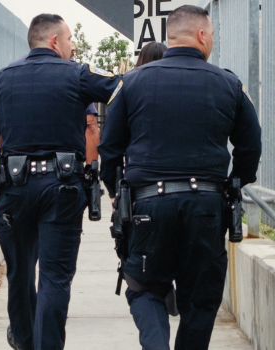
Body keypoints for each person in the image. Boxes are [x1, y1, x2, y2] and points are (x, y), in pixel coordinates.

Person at [97, 5, 261, 350]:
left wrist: (116, 192)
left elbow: (109, 148)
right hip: (206, 205)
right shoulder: (228, 83)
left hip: (147, 208)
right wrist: (235, 183)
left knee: (144, 288)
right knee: (200, 300)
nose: (212, 40)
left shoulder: (133, 82)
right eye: (212, 34)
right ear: (202, 35)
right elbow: (250, 145)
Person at [0, 13, 119, 350]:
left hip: (15, 189)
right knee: (54, 277)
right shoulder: (78, 75)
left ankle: (24, 341)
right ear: (54, 41)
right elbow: (123, 90)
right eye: (70, 40)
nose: (73, 45)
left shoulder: (0, 80)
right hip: (63, 189)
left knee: (19, 275)